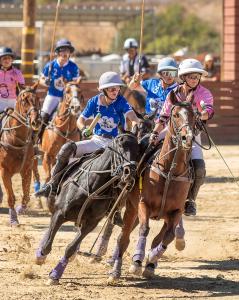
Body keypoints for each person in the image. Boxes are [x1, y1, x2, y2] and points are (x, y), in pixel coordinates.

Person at [35, 71, 140, 198]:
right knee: (67, 148)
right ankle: (52, 184)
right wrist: (84, 129)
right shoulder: (94, 102)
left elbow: (133, 117)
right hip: (97, 141)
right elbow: (80, 120)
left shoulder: (121, 101)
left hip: (116, 144)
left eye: (117, 88)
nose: (116, 91)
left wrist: (135, 127)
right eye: (112, 89)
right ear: (104, 90)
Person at [150, 58, 214, 216]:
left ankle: (190, 200)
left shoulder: (204, 93)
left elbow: (208, 110)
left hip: (192, 134)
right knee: (145, 147)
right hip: (171, 132)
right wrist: (155, 133)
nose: (195, 79)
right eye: (192, 76)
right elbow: (163, 117)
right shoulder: (173, 93)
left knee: (199, 168)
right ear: (184, 77)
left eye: (197, 77)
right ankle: (135, 187)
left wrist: (201, 113)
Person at [38, 39, 80, 141]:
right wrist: (45, 82)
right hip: (53, 95)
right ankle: (39, 139)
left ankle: (80, 139)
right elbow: (40, 80)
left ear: (70, 53)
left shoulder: (73, 67)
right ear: (57, 52)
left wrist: (71, 84)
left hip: (67, 98)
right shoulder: (50, 65)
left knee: (77, 116)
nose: (65, 53)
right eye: (62, 50)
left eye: (68, 51)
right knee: (44, 115)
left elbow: (76, 83)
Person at [0, 47, 25, 113]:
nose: (7, 60)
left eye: (9, 58)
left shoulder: (17, 73)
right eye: (4, 58)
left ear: (12, 60)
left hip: (13, 101)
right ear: (0, 60)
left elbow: (22, 88)